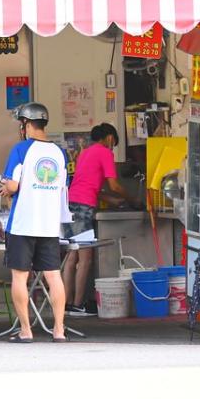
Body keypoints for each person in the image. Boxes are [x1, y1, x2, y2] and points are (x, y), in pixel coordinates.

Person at [0, 102, 69, 343]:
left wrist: (6, 190)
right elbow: (61, 188)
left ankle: (26, 330)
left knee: (20, 277)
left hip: (23, 223)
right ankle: (59, 329)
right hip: (49, 225)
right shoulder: (59, 153)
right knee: (53, 276)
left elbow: (13, 185)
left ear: (26, 124)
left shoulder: (21, 149)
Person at [62, 122, 133, 317]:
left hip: (69, 204)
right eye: (114, 143)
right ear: (110, 137)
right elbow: (115, 185)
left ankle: (66, 304)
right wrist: (132, 199)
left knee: (71, 256)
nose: (113, 147)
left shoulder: (85, 153)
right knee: (85, 259)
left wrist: (111, 200)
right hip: (84, 208)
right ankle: (78, 305)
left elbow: (91, 187)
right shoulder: (104, 152)